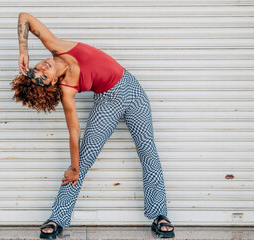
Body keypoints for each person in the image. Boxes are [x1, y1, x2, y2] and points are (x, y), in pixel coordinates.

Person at [11, 12, 175, 239]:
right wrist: (74, 167)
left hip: (133, 90)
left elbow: (25, 17)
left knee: (148, 150)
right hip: (107, 102)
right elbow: (74, 131)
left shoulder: (56, 46)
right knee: (83, 161)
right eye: (43, 74)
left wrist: (23, 51)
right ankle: (57, 218)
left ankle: (160, 215)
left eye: (37, 68)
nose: (42, 67)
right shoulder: (67, 90)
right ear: (52, 84)